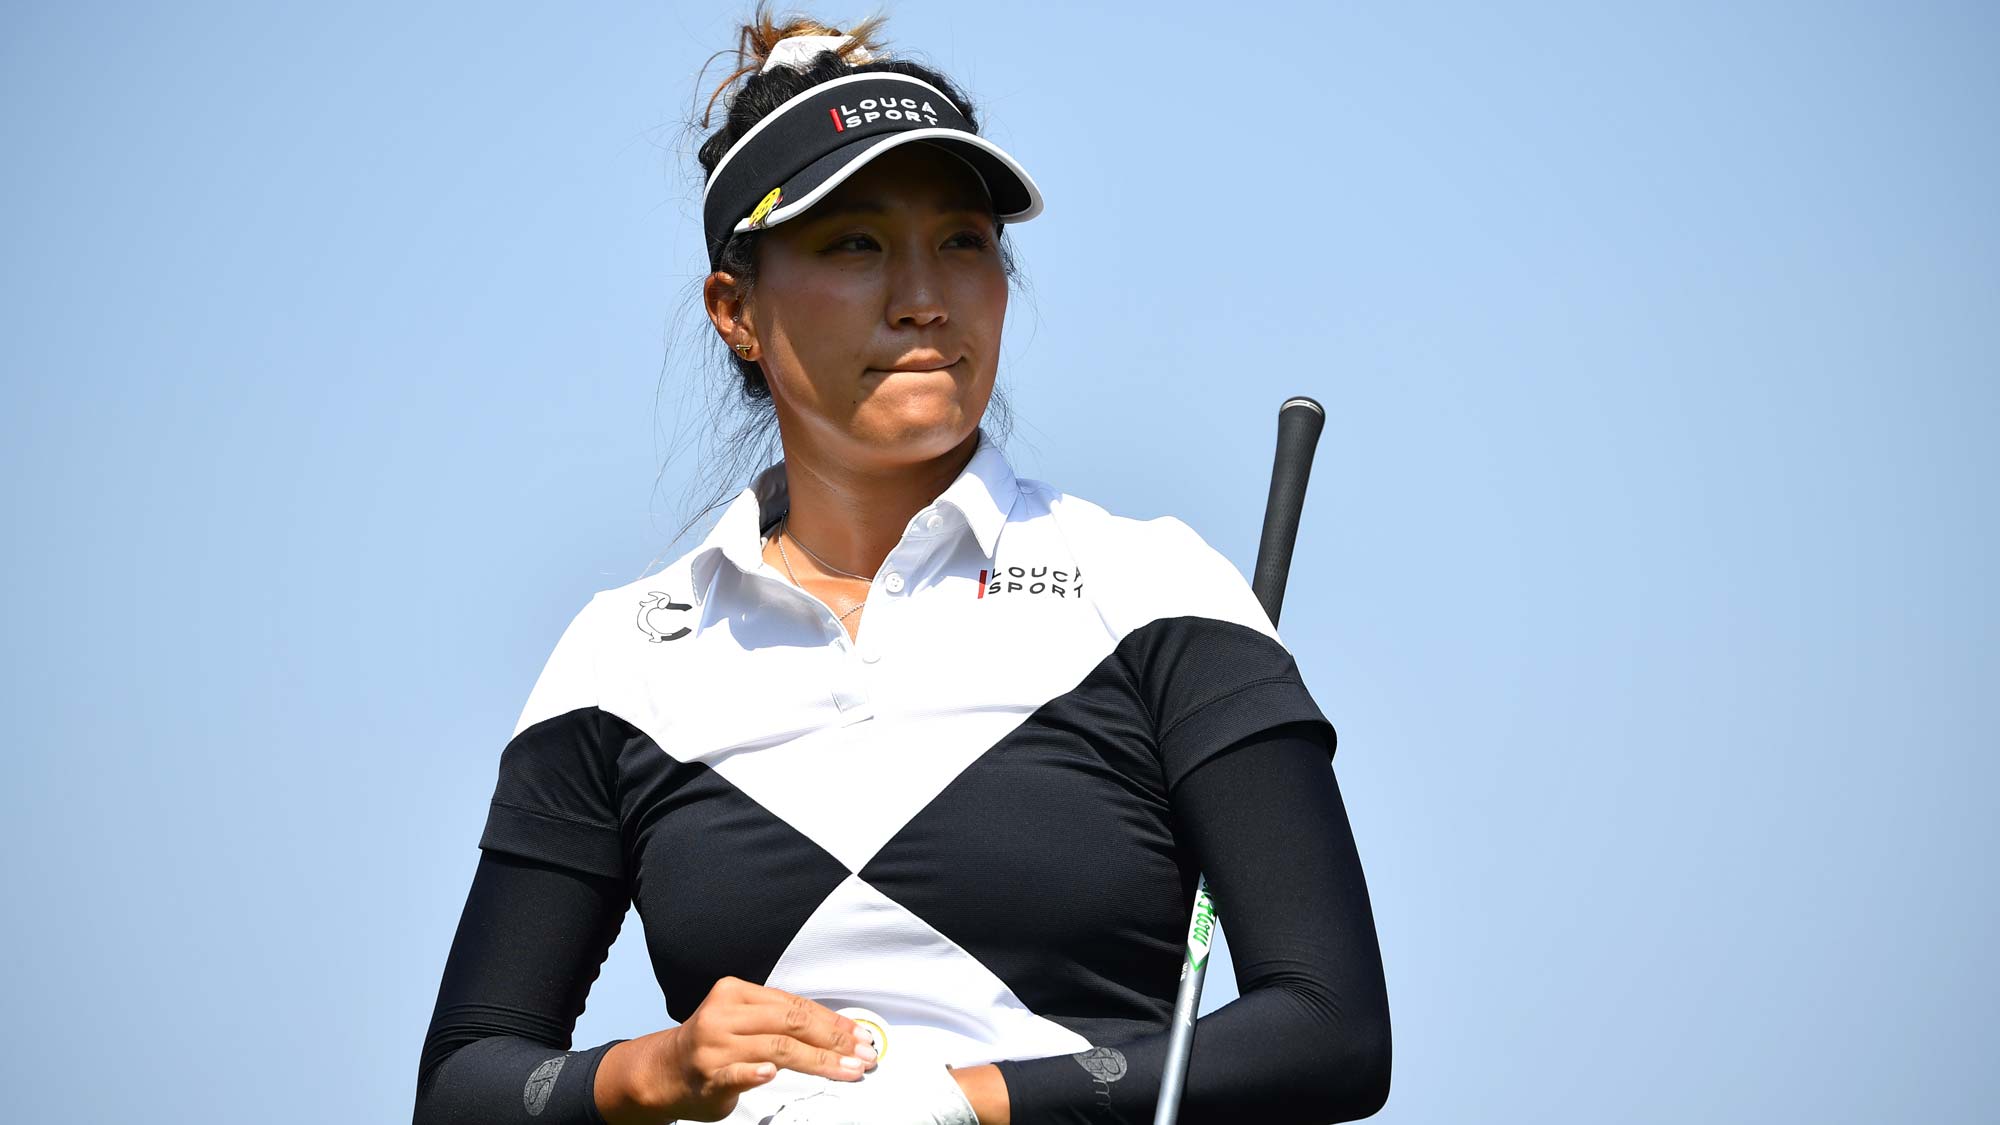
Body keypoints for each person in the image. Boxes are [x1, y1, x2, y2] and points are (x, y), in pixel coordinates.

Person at [414, 11, 1391, 1125]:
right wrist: (654, 1070)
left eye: (963, 241)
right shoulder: (622, 655)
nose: (923, 294)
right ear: (734, 310)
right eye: (855, 244)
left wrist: (959, 1102)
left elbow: (1331, 1030)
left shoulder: (1156, 591)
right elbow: (462, 1082)